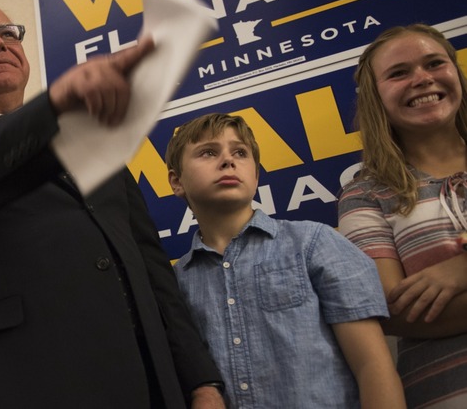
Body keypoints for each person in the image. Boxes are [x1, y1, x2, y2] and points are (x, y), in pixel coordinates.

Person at [0, 0, 225, 408]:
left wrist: (201, 382)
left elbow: (153, 272)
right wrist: (51, 111)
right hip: (9, 388)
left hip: (145, 387)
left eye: (8, 33)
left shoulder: (96, 149)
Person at [165, 112, 405, 408]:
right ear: (176, 181)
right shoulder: (175, 285)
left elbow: (373, 366)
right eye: (208, 152)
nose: (228, 161)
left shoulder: (314, 243)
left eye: (240, 152)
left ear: (255, 175)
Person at [338, 23, 467, 408]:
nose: (422, 79)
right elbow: (394, 312)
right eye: (399, 73)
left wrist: (458, 271)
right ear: (375, 97)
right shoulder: (363, 194)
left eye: (434, 63)